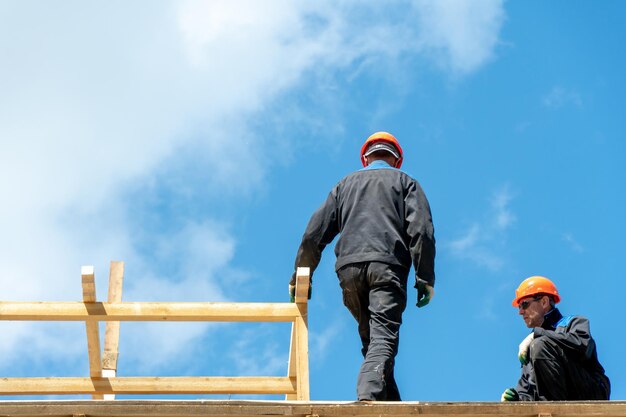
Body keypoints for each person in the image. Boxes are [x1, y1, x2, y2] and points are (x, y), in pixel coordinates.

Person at [290, 131, 436, 401]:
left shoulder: (344, 185)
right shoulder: (406, 183)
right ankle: (368, 400)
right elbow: (422, 232)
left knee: (374, 341)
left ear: (366, 158)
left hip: (349, 271)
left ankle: (390, 404)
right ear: (397, 160)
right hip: (386, 267)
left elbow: (314, 234)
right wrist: (425, 277)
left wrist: (302, 273)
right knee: (383, 338)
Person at [501, 276, 610, 401]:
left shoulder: (574, 323)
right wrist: (516, 400)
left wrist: (537, 334)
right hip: (556, 401)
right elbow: (527, 390)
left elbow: (583, 346)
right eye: (519, 307)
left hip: (591, 393)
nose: (520, 312)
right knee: (538, 346)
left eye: (524, 304)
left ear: (544, 302)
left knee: (539, 345)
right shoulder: (531, 346)